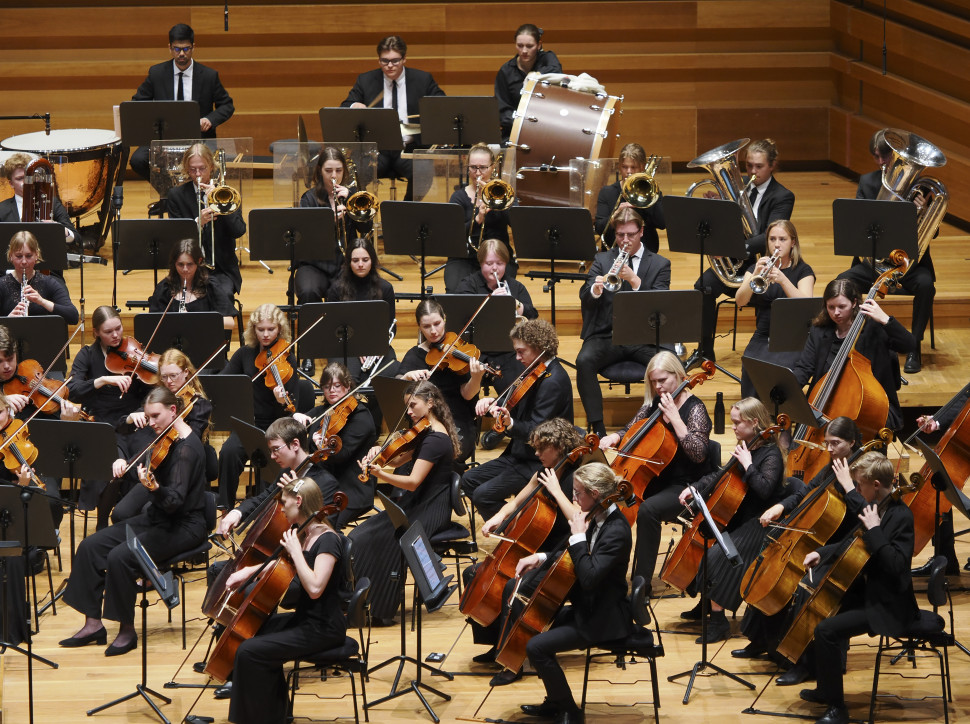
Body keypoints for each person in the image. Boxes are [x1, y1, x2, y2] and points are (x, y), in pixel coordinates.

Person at [59, 387, 208, 656]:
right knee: (91, 546)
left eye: (155, 416)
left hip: (185, 525)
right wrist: (124, 467)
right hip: (158, 517)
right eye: (148, 416)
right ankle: (93, 624)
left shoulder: (188, 449)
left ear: (173, 411)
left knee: (122, 556)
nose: (150, 422)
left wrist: (153, 489)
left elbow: (174, 501)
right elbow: (128, 438)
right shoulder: (166, 438)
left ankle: (126, 630)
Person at [733, 417, 864, 684]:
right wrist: (780, 507)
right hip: (814, 537)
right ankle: (763, 641)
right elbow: (806, 492)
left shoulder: (860, 471)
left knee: (801, 584)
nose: (829, 449)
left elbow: (862, 515)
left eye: (836, 444)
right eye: (826, 443)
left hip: (839, 546)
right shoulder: (831, 467)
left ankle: (803, 662)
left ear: (852, 443)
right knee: (768, 562)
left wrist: (848, 485)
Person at [799, 451, 918, 724]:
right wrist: (824, 553)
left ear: (875, 485)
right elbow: (856, 541)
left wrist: (876, 530)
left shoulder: (901, 516)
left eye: (860, 484)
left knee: (825, 631)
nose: (857, 489)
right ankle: (826, 689)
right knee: (824, 609)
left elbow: (896, 566)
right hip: (870, 592)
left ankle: (838, 710)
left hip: (889, 605)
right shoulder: (878, 508)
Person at [466, 418, 586, 686]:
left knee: (514, 589)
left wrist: (556, 490)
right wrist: (497, 517)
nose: (536, 454)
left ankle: (513, 662)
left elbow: (578, 520)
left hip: (562, 554)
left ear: (558, 447)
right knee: (473, 573)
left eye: (541, 448)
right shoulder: (542, 471)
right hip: (534, 547)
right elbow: (517, 501)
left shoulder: (579, 476)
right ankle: (496, 644)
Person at [222, 477, 350, 724]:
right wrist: (247, 572)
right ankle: (275, 714)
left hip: (323, 627)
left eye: (284, 503)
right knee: (253, 634)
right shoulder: (304, 531)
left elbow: (314, 587)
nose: (281, 508)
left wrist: (296, 552)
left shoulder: (328, 540)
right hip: (306, 619)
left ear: (299, 501)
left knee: (250, 652)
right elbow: (281, 564)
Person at [516, 462, 632, 724]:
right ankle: (555, 700)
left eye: (578, 493)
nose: (573, 498)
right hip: (588, 608)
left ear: (594, 493)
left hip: (604, 618)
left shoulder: (616, 531)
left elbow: (589, 576)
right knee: (535, 626)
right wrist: (542, 557)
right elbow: (578, 558)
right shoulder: (598, 515)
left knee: (536, 646)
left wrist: (578, 536)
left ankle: (569, 710)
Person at [599, 351, 712, 590]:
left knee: (648, 510)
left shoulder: (695, 409)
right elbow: (630, 430)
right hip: (653, 479)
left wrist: (675, 419)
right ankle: (604, 572)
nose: (658, 386)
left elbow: (699, 452)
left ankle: (642, 584)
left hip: (685, 485)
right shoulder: (653, 404)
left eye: (663, 380)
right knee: (604, 498)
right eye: (653, 381)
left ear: (679, 375)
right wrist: (613, 437)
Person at [677, 397, 786, 643]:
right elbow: (719, 475)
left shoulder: (770, 455)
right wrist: (693, 488)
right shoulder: (747, 446)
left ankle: (719, 622)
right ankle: (706, 601)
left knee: (717, 556)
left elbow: (765, 490)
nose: (733, 428)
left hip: (762, 523)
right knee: (706, 537)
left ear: (754, 422)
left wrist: (748, 465)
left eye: (737, 423)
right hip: (740, 516)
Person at [352, 381, 459, 622]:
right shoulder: (424, 432)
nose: (408, 412)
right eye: (407, 406)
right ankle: (368, 601)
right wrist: (378, 453)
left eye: (413, 406)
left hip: (431, 507)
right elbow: (398, 460)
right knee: (361, 533)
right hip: (419, 501)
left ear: (430, 403)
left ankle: (382, 607)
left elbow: (412, 481)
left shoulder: (435, 440)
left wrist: (379, 475)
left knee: (379, 537)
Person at [689, 138, 795, 367]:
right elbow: (728, 224)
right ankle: (705, 352)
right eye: (749, 166)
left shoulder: (783, 196)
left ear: (772, 165)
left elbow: (770, 236)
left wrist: (731, 247)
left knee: (765, 297)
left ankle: (761, 354)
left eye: (759, 166)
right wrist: (719, 206)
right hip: (739, 263)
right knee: (702, 287)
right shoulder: (738, 187)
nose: (753, 172)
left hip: (766, 266)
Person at [839, 130, 936, 374]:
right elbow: (857, 226)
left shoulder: (922, 188)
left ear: (896, 156)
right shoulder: (868, 182)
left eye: (885, 157)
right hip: (874, 262)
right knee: (843, 281)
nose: (881, 163)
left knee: (926, 286)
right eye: (876, 157)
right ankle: (855, 340)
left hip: (911, 264)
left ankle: (915, 347)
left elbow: (931, 232)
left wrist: (922, 211)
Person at [462, 318, 573, 520]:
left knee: (483, 495)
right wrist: (493, 402)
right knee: (469, 479)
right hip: (518, 454)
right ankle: (519, 523)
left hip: (538, 459)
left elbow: (537, 432)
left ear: (539, 347)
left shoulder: (553, 381)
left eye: (521, 351)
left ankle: (519, 533)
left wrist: (509, 424)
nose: (517, 357)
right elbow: (515, 399)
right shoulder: (534, 370)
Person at [577, 206, 671, 438]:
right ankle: (597, 428)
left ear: (641, 232)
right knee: (584, 361)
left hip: (644, 337)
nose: (625, 240)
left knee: (671, 365)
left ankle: (660, 419)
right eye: (620, 235)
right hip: (608, 335)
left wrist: (635, 281)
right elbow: (584, 297)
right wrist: (596, 290)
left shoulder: (660, 264)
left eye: (630, 234)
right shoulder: (601, 260)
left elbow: (660, 305)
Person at [67, 306, 153, 528]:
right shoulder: (87, 355)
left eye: (118, 329)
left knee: (144, 461)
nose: (115, 335)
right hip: (103, 424)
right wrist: (103, 379)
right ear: (96, 332)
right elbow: (73, 389)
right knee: (115, 466)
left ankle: (135, 522)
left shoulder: (133, 352)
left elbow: (151, 392)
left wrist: (142, 410)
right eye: (108, 332)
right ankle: (104, 524)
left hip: (134, 421)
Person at [793, 278, 916, 431]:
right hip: (825, 402)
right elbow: (805, 367)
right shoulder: (819, 331)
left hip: (867, 406)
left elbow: (909, 345)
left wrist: (886, 320)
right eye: (831, 307)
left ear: (854, 303)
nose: (836, 312)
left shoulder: (874, 328)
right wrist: (789, 390)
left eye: (841, 306)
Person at [110, 348, 216, 523]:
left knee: (149, 514)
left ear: (186, 372)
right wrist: (130, 419)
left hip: (180, 472)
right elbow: (121, 429)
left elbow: (190, 440)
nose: (169, 381)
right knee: (120, 513)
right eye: (164, 376)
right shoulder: (158, 399)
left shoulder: (199, 404)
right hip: (156, 470)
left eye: (173, 375)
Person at [217, 304, 303, 509]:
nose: (265, 334)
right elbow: (222, 382)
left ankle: (265, 512)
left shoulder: (288, 358)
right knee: (228, 452)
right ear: (253, 330)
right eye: (260, 329)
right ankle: (224, 507)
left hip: (275, 428)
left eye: (270, 329)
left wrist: (282, 401)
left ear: (279, 329)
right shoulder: (244, 354)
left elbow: (293, 406)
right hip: (248, 424)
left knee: (269, 463)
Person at [341, 35, 445, 202]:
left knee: (424, 172)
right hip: (375, 151)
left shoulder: (422, 79)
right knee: (353, 174)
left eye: (395, 60)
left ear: (404, 59)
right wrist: (355, 106)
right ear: (378, 60)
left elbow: (441, 104)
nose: (390, 65)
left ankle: (405, 211)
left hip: (410, 148)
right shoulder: (366, 80)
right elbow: (346, 105)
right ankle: (361, 214)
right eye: (385, 61)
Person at [129, 23, 235, 181]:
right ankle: (169, 194)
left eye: (186, 49)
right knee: (138, 160)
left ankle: (197, 196)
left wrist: (210, 119)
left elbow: (227, 105)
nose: (181, 54)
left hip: (200, 137)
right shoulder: (156, 73)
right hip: (164, 138)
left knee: (212, 164)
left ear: (193, 47)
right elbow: (137, 103)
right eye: (177, 49)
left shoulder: (209, 76)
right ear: (170, 48)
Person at [735, 219, 816, 399]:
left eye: (782, 239)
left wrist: (783, 280)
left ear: (793, 242)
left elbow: (806, 306)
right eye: (772, 239)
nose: (776, 244)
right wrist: (755, 275)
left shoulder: (803, 271)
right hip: (764, 333)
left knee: (778, 370)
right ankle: (753, 418)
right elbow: (740, 301)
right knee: (750, 366)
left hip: (793, 337)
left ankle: (778, 414)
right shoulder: (756, 268)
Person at [397, 299, 482, 464]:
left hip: (456, 418)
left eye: (437, 323)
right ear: (419, 327)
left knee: (444, 454)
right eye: (427, 326)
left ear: (445, 319)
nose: (434, 331)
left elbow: (467, 394)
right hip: (423, 421)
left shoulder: (457, 352)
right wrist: (407, 376)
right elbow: (397, 384)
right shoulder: (415, 355)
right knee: (412, 458)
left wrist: (477, 377)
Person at [296, 147, 375, 311]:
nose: (334, 176)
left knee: (347, 293)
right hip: (314, 263)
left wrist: (352, 202)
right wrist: (328, 221)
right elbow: (304, 237)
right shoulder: (309, 199)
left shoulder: (352, 196)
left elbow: (366, 228)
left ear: (344, 171)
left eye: (338, 170)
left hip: (344, 263)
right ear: (320, 171)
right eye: (328, 170)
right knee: (308, 291)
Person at [166, 143, 247, 297]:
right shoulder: (176, 196)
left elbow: (239, 230)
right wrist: (197, 223)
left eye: (202, 168)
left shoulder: (227, 194)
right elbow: (176, 238)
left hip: (222, 270)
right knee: (166, 294)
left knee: (219, 295)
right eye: (192, 169)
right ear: (186, 168)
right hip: (187, 269)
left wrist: (221, 204)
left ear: (211, 166)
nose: (197, 174)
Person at [454, 238, 536, 388]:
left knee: (519, 389)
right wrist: (492, 304)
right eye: (489, 264)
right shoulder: (468, 285)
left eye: (500, 263)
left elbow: (532, 316)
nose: (495, 268)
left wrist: (515, 303)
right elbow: (462, 316)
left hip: (507, 351)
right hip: (474, 352)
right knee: (461, 389)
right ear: (480, 263)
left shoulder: (515, 287)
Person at [308, 363, 378, 528]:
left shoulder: (361, 417)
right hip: (326, 481)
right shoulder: (324, 411)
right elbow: (298, 425)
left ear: (347, 387)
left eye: (337, 385)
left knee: (323, 524)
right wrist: (297, 417)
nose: (331, 390)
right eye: (326, 386)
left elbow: (341, 455)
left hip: (351, 487)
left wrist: (321, 447)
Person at [322, 238, 397, 380]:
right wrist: (357, 348)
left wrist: (375, 347)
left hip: (376, 345)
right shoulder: (336, 290)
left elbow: (391, 327)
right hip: (344, 346)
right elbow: (331, 329)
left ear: (372, 260)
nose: (360, 264)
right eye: (355, 260)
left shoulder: (386, 288)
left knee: (388, 375)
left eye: (365, 259)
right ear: (349, 263)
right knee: (347, 379)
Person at [446, 143, 516, 291]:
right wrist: (478, 219)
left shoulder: (503, 193)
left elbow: (517, 223)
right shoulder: (458, 197)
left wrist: (496, 201)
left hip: (498, 258)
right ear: (468, 168)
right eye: (473, 167)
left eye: (483, 167)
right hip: (465, 257)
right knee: (455, 290)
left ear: (493, 168)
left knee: (503, 292)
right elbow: (452, 235)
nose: (478, 173)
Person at [495, 24, 562, 144]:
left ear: (539, 45)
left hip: (545, 129)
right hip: (515, 132)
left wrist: (535, 75)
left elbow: (557, 71)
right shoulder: (506, 71)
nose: (524, 51)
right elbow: (503, 112)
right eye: (520, 46)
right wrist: (526, 123)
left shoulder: (548, 59)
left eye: (529, 46)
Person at [148, 237, 236, 329]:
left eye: (189, 264)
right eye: (180, 264)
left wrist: (194, 320)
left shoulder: (210, 286)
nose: (185, 269)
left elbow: (230, 323)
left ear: (199, 261)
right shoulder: (164, 288)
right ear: (174, 263)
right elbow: (152, 322)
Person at [594, 142, 665, 253]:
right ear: (619, 167)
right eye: (624, 167)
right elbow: (599, 228)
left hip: (645, 253)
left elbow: (662, 223)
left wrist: (644, 202)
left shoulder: (651, 192)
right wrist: (615, 215)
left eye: (633, 167)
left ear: (642, 167)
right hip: (614, 252)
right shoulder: (607, 192)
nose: (628, 172)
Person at [0, 153, 78, 252]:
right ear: (11, 184)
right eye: (20, 179)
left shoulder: (52, 203)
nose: (26, 182)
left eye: (28, 176)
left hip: (48, 263)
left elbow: (76, 239)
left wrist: (58, 229)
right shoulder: (2, 210)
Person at [0, 231, 78, 323]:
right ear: (11, 256)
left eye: (29, 256)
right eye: (19, 256)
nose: (24, 261)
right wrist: (7, 321)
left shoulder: (49, 283)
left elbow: (73, 316)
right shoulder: (2, 285)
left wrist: (42, 301)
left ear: (36, 255)